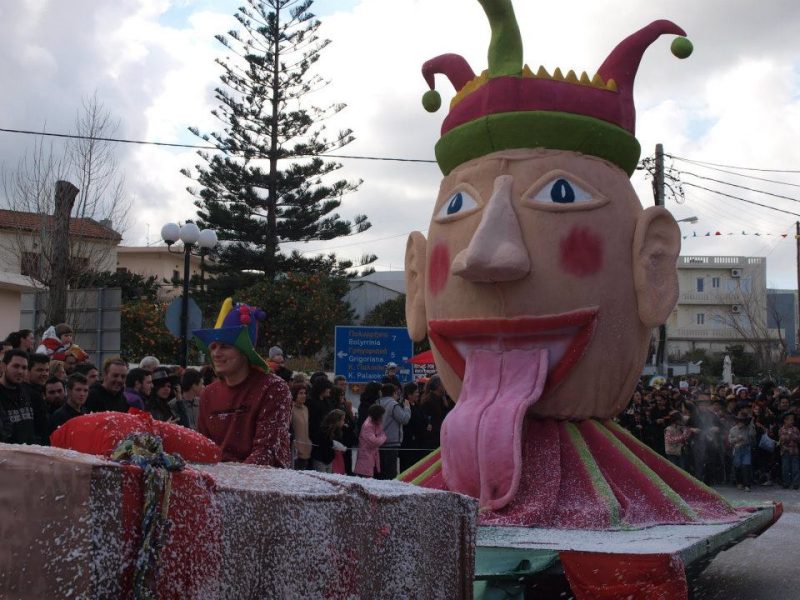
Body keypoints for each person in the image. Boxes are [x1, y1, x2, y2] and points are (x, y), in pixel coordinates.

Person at [194, 299, 291, 467]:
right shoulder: (208, 394)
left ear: (244, 352)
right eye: (213, 347)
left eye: (224, 346)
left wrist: (230, 480)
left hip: (262, 481)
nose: (216, 353)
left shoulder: (273, 389)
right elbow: (203, 450)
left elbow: (266, 453)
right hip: (219, 480)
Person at [0, 349, 36, 444]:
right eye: (15, 366)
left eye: (24, 368)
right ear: (3, 366)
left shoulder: (29, 393)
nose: (20, 371)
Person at [377, 382, 411, 480]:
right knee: (391, 471)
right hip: (391, 441)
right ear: (394, 393)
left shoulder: (378, 402)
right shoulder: (393, 404)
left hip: (379, 440)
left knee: (382, 471)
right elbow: (404, 419)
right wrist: (407, 407)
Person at [400, 382, 428, 471]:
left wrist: (428, 424)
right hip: (409, 442)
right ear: (409, 394)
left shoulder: (417, 405)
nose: (418, 394)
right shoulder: (404, 405)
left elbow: (423, 417)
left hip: (419, 441)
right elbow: (406, 422)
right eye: (416, 392)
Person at [354, 403, 387, 478]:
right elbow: (375, 442)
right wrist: (383, 438)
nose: (382, 417)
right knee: (366, 480)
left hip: (372, 457)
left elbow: (381, 434)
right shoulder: (368, 425)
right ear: (377, 415)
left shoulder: (376, 423)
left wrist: (381, 437)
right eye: (381, 415)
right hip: (366, 458)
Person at [311, 409, 346, 473]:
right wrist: (335, 444)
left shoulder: (338, 431)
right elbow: (324, 443)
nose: (343, 422)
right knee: (321, 477)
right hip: (320, 459)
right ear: (337, 420)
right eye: (342, 419)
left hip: (329, 459)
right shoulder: (324, 430)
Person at [729, 413, 753, 492]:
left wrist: (741, 443)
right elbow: (730, 440)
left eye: (742, 421)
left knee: (746, 466)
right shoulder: (732, 429)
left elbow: (749, 439)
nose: (741, 423)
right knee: (737, 466)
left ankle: (747, 485)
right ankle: (739, 482)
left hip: (746, 449)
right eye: (739, 421)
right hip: (737, 451)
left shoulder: (748, 429)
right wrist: (736, 439)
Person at [290, 383, 312, 470]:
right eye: (301, 393)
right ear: (295, 394)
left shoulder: (305, 409)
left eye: (305, 393)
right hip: (294, 450)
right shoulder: (291, 408)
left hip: (306, 449)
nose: (304, 395)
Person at [779, 412, 800, 490]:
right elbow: (782, 440)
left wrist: (792, 435)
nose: (792, 421)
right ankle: (786, 482)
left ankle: (796, 483)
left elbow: (798, 439)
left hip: (794, 451)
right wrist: (789, 436)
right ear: (785, 420)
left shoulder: (796, 429)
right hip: (785, 451)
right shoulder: (782, 429)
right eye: (790, 420)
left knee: (795, 468)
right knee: (785, 468)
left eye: (793, 420)